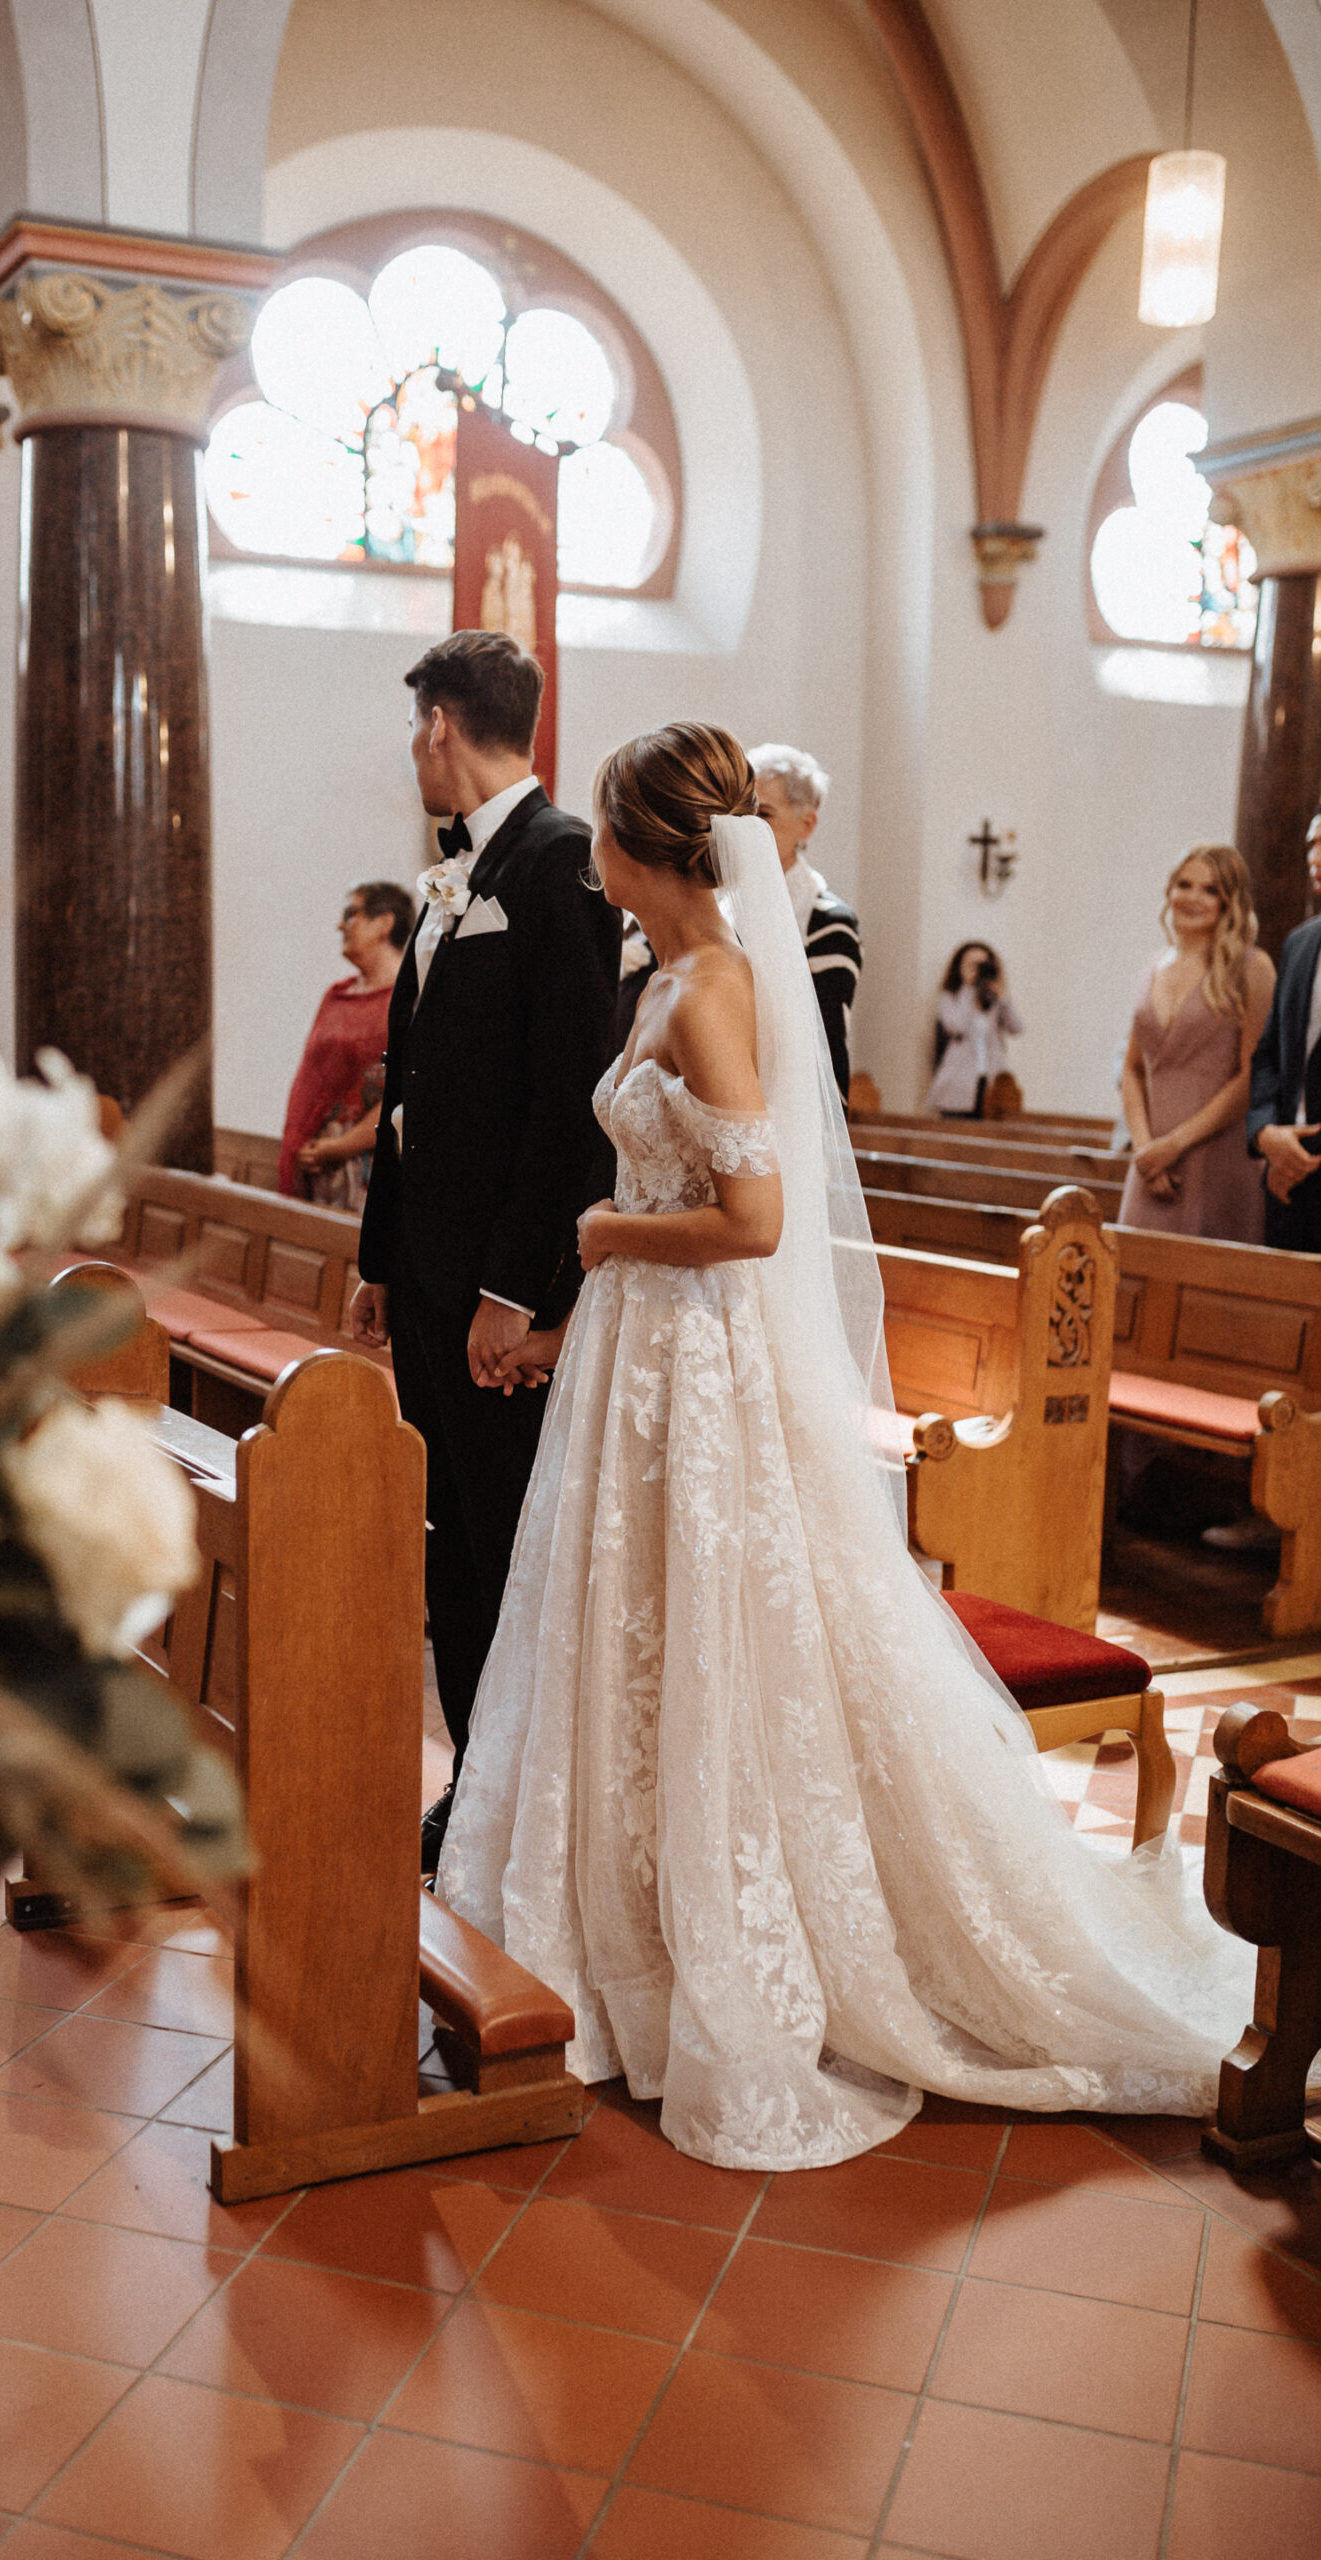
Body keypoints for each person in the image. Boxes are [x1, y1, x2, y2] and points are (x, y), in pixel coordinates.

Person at [438, 721, 1251, 2172]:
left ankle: (714, 1945)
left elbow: (748, 1228)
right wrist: (581, 1317)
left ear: (637, 846)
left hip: (695, 1355)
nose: (592, 866)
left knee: (709, 1641)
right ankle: (619, 1930)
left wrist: (601, 1236)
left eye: (604, 843)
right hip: (641, 1355)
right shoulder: (669, 975)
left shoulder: (708, 993)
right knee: (633, 1637)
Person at [352, 630, 620, 1870]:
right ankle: (473, 1780)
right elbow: (410, 1087)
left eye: (416, 726)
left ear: (443, 723)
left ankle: (518, 1796)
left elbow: (571, 1098)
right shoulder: (454, 875)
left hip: (494, 1298)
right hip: (426, 1278)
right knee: (453, 1544)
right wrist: (376, 1257)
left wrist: (518, 1288)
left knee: (507, 1545)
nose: (412, 749)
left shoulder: (562, 864)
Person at [1117, 845, 1274, 1241]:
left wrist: (1175, 1145)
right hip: (1151, 1162)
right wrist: (1144, 1150)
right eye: (1184, 885)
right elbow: (1133, 1068)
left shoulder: (1251, 967)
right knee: (1133, 1276)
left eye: (1210, 889)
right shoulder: (1153, 967)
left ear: (1229, 901)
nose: (1192, 898)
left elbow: (1251, 1074)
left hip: (1216, 1153)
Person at [277, 881, 414, 1206]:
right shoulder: (337, 995)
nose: (341, 925)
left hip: (366, 1164)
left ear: (384, 924)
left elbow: (405, 1092)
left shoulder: (411, 1000)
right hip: (310, 1157)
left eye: (351, 914)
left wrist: (339, 1147)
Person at [747, 743, 860, 1100]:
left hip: (786, 1101)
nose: (747, 827)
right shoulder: (717, 902)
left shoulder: (828, 922)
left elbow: (827, 1042)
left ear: (806, 824)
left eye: (763, 814)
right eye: (740, 813)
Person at [1247, 813, 1321, 1253]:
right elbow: (1270, 1056)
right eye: (1312, 845)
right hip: (1287, 1181)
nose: (1315, 857)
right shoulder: (1299, 944)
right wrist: (1266, 1135)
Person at [926, 942, 1022, 1116]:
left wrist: (1002, 996)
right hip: (959, 1081)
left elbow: (1016, 1028)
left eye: (983, 965)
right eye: (972, 965)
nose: (978, 970)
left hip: (991, 1079)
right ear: (960, 967)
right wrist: (968, 989)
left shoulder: (995, 999)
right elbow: (956, 1027)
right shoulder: (949, 996)